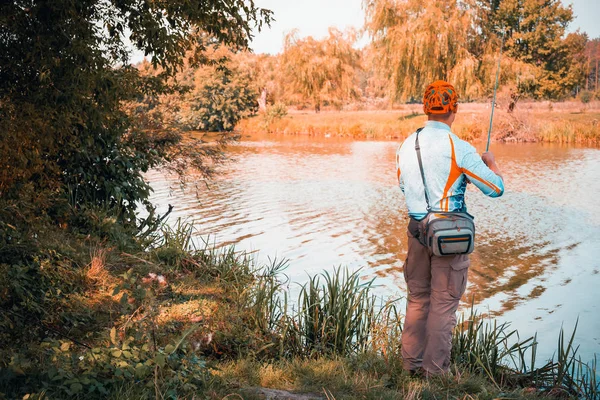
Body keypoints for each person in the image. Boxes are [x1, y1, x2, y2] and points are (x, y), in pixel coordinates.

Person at [395, 80, 504, 376]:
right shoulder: (460, 148)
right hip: (449, 236)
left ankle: (410, 368)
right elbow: (495, 189)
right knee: (443, 306)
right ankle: (435, 373)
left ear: (425, 109)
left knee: (418, 300)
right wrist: (491, 163)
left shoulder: (407, 144)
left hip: (417, 231)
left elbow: (403, 184)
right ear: (454, 109)